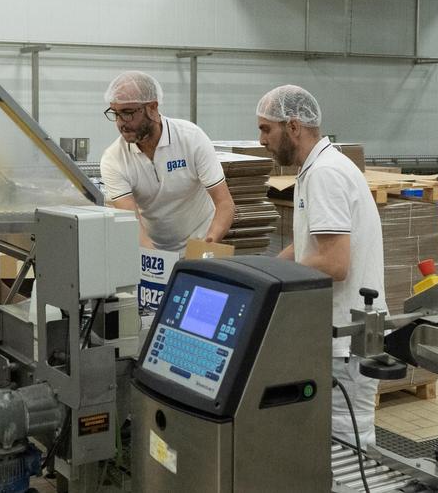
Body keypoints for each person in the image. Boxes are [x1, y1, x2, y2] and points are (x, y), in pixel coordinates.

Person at [255, 84, 385, 450]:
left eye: (266, 129)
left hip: (346, 339)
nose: (261, 140)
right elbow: (308, 244)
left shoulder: (325, 174)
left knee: (347, 449)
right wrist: (258, 271)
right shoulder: (317, 168)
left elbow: (333, 262)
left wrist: (272, 283)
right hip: (334, 332)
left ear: (292, 126)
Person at [99, 71, 234, 252]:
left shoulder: (191, 138)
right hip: (151, 246)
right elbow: (131, 222)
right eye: (115, 113)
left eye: (128, 113)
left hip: (201, 239)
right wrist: (157, 262)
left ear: (152, 108)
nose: (121, 122)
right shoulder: (114, 159)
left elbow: (225, 203)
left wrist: (206, 246)